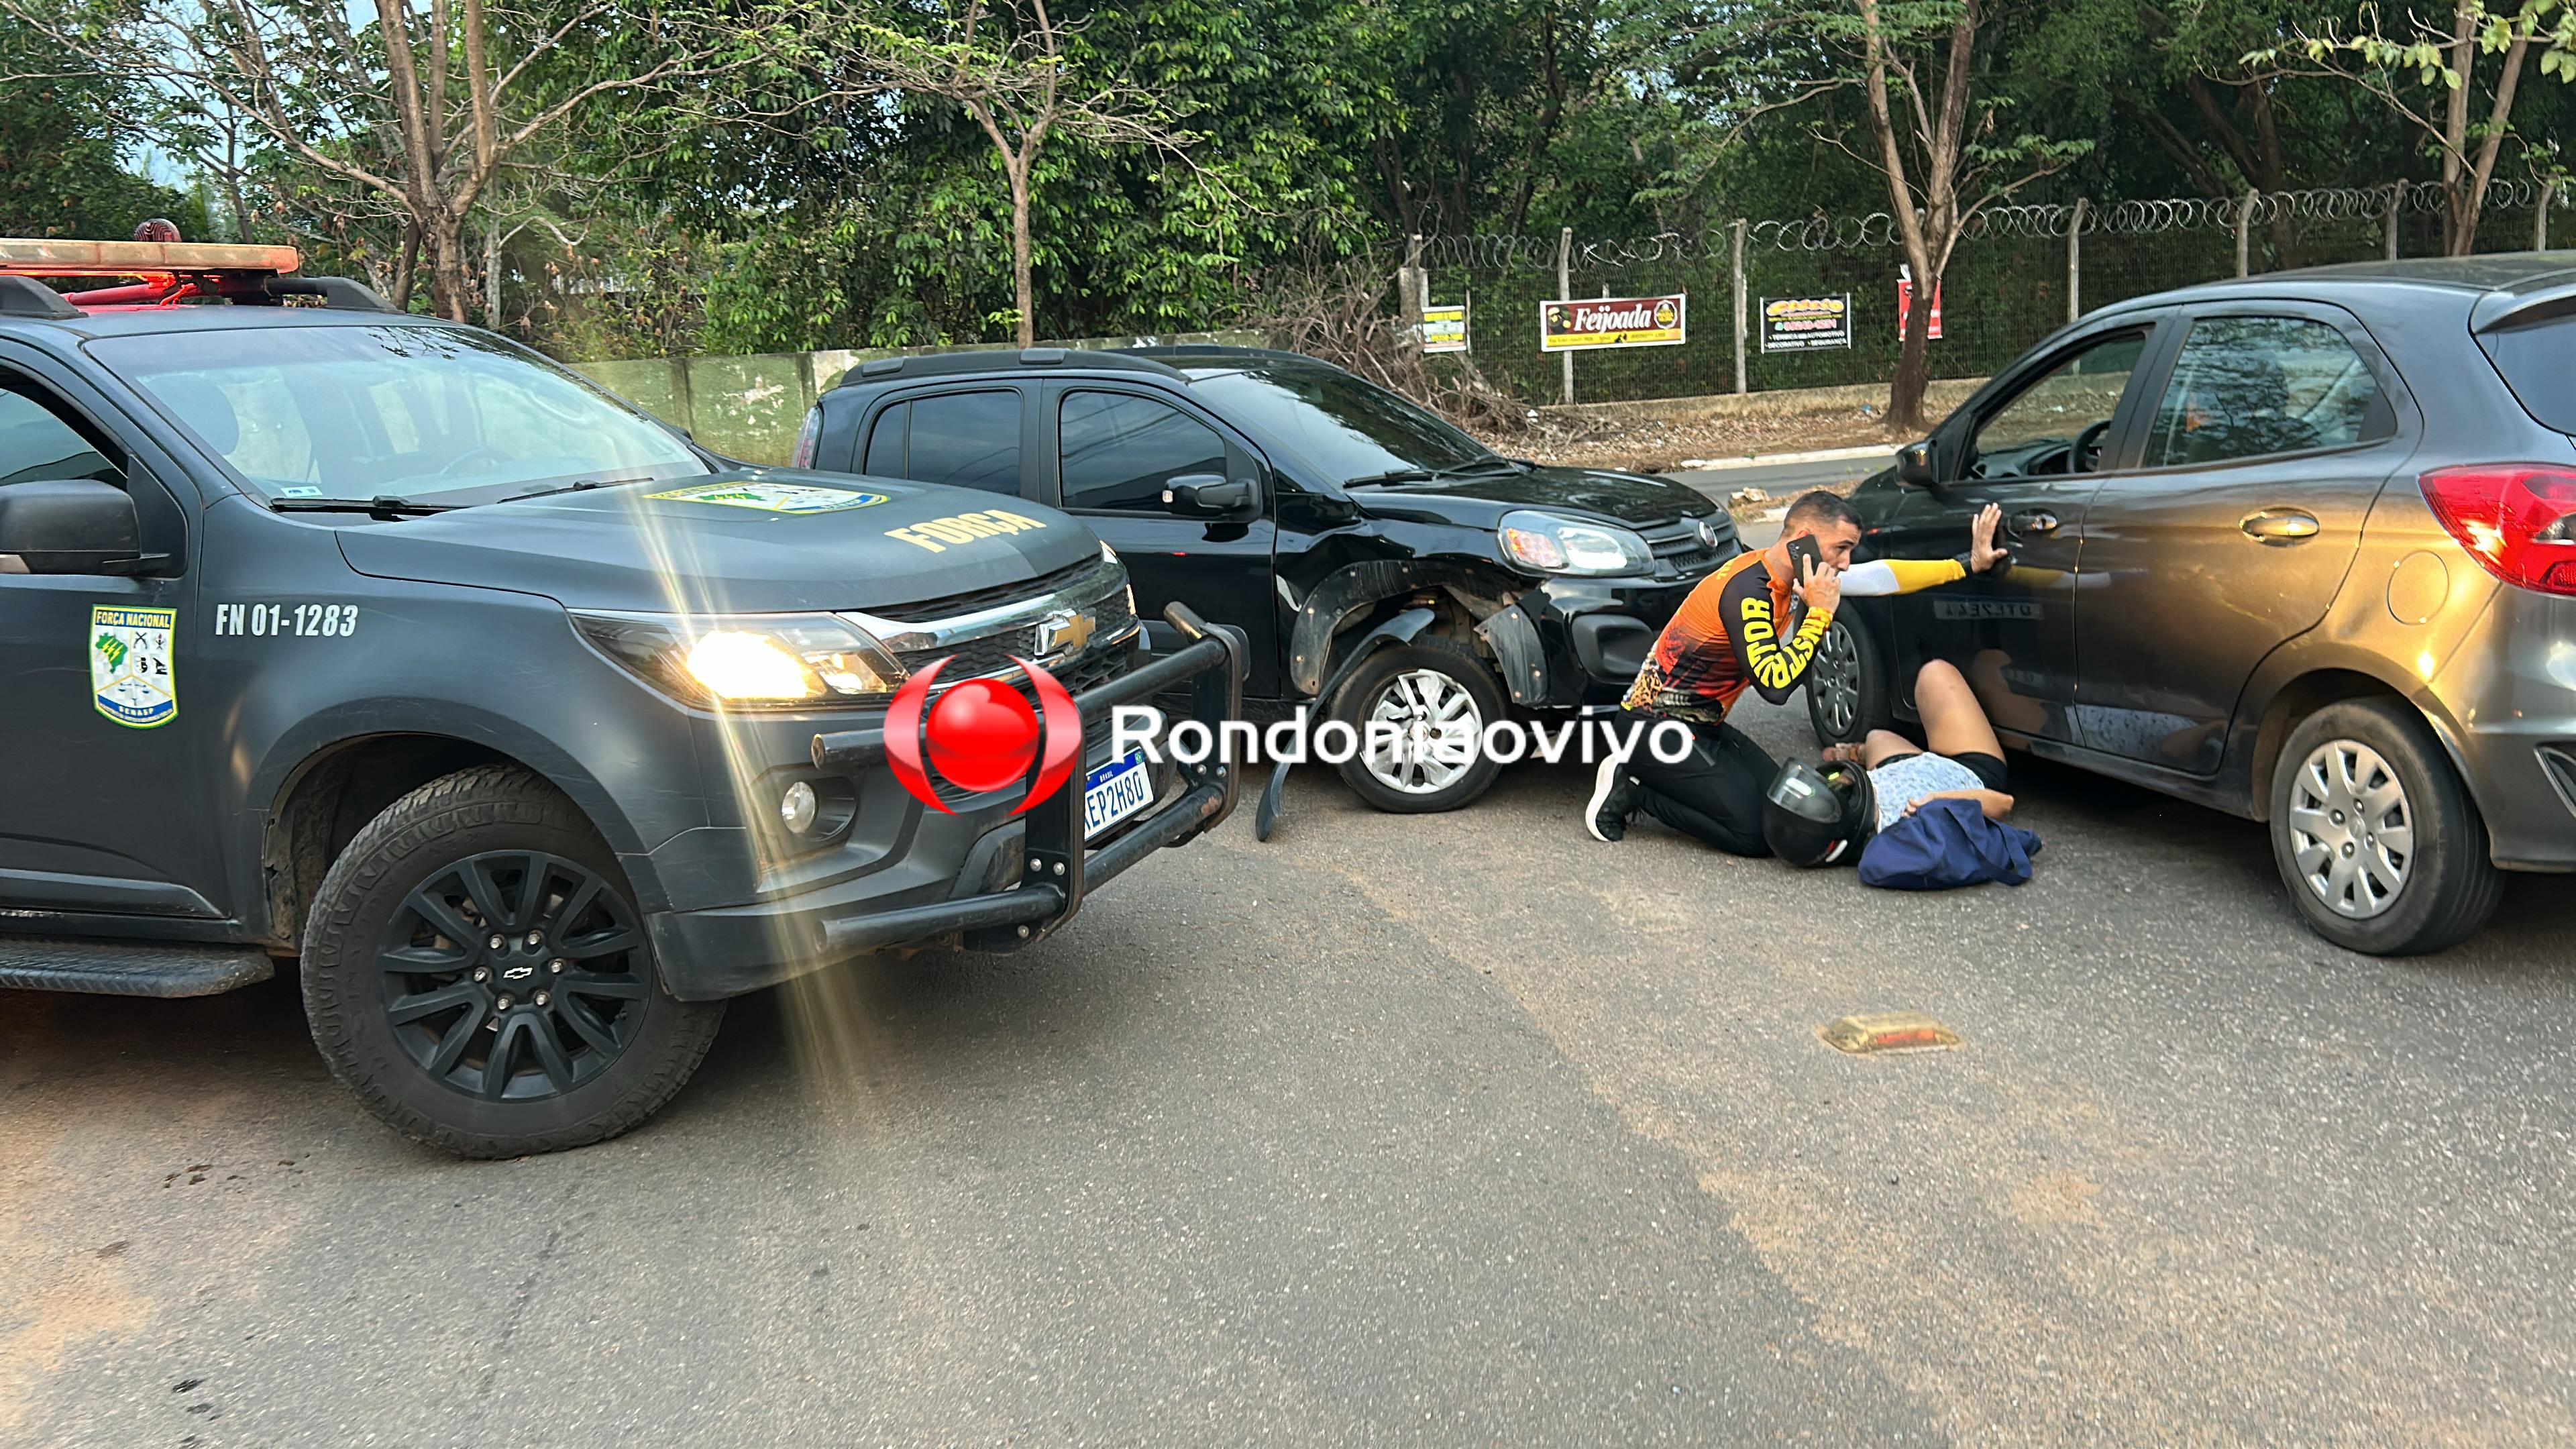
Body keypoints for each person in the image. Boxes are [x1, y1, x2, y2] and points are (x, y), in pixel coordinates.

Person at [1585, 489, 2007, 852]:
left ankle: (1666, 782)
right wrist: (1819, 616)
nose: (1844, 563)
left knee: (1788, 806)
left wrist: (1967, 564)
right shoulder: (1747, 591)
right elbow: (1774, 686)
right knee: (1755, 835)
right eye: (1840, 548)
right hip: (1653, 727)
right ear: (1804, 540)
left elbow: (1881, 577)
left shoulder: (1796, 576)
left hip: (1703, 726)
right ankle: (1634, 789)